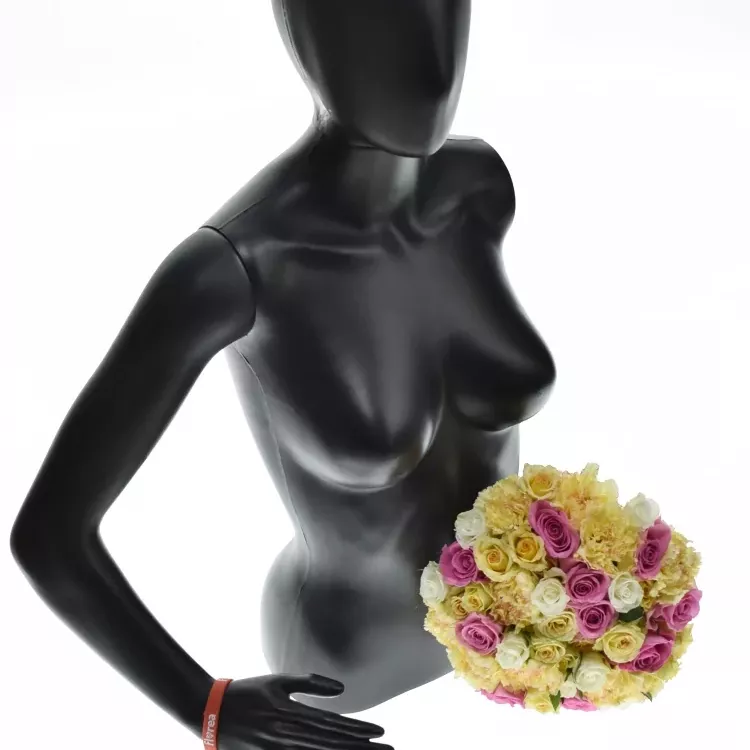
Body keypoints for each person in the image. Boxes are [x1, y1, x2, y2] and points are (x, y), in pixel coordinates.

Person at [9, 1, 555, 748]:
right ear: (306, 27)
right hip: (339, 676)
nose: (428, 58)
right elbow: (49, 534)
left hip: (515, 641)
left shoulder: (476, 186)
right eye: (376, 16)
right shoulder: (235, 266)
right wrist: (205, 707)